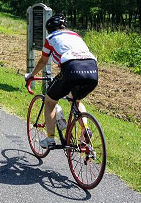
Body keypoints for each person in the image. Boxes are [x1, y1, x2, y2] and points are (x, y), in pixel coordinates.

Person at [24, 14, 98, 148]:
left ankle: (50, 139)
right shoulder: (76, 35)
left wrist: (31, 75)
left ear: (49, 29)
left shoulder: (50, 38)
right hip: (92, 69)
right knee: (75, 100)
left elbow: (43, 61)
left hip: (71, 69)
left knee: (50, 101)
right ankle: (85, 128)